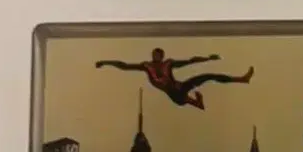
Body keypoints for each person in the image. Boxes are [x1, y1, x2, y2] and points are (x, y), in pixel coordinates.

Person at [96, 48, 253, 110]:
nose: (156, 58)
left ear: (162, 56)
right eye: (155, 56)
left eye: (159, 56)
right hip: (175, 95)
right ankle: (196, 103)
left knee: (208, 76)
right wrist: (105, 62)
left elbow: (189, 61)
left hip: (181, 88)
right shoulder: (147, 66)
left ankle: (241, 79)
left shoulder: (168, 64)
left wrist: (207, 58)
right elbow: (124, 66)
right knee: (178, 95)